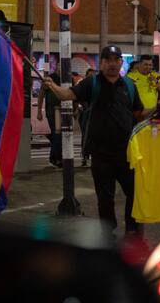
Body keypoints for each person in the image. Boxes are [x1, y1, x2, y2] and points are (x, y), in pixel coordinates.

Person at [43, 45, 145, 238]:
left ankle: (132, 227)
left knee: (134, 193)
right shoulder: (92, 83)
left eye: (116, 60)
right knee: (105, 197)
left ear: (121, 63)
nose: (113, 64)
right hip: (101, 153)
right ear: (102, 62)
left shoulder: (130, 86)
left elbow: (138, 113)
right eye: (108, 60)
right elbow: (67, 95)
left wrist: (156, 108)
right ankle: (108, 230)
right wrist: (52, 85)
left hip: (127, 152)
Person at [37, 72, 62, 168]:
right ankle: (54, 159)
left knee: (60, 136)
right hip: (53, 112)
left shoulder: (68, 78)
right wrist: (39, 111)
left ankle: (58, 158)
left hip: (63, 112)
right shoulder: (50, 78)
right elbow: (41, 95)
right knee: (57, 135)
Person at [78, 68, 96, 167]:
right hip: (86, 114)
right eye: (90, 75)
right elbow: (79, 98)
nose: (92, 77)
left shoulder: (98, 86)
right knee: (85, 136)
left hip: (96, 115)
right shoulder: (83, 85)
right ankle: (84, 157)